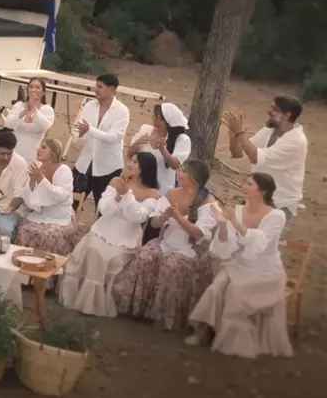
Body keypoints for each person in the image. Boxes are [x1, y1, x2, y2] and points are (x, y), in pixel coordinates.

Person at [187, 173, 292, 358]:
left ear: (262, 191)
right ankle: (205, 331)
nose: (244, 186)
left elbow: (260, 243)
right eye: (245, 182)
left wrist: (235, 222)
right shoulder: (238, 210)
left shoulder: (277, 216)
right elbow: (226, 245)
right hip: (239, 264)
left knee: (235, 291)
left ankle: (229, 340)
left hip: (265, 270)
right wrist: (223, 224)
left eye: (250, 184)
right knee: (215, 289)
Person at [113, 159, 218, 331]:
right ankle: (137, 308)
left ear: (194, 178)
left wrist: (177, 218)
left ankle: (163, 317)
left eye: (183, 171)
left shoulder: (208, 202)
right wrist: (163, 218)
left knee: (172, 267)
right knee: (145, 256)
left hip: (189, 250)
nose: (178, 173)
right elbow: (154, 223)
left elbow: (198, 233)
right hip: (166, 242)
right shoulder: (172, 194)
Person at [60, 153, 160, 317]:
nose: (130, 164)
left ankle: (96, 303)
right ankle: (81, 299)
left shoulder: (152, 193)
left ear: (145, 168)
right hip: (104, 229)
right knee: (93, 250)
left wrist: (127, 195)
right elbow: (104, 209)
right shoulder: (115, 181)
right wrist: (118, 196)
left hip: (126, 236)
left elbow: (139, 217)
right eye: (131, 160)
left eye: (135, 162)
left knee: (110, 258)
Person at [222, 95, 307, 223]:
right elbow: (238, 154)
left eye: (275, 109)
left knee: (253, 232)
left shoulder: (296, 141)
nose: (269, 111)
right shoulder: (270, 129)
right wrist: (234, 137)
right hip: (258, 197)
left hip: (280, 202)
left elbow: (254, 157)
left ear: (287, 115)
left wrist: (239, 133)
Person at [73, 73, 130, 208]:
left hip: (108, 167)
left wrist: (89, 130)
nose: (96, 90)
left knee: (103, 208)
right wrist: (80, 133)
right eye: (96, 86)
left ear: (112, 89)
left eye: (100, 87)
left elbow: (112, 137)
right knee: (71, 204)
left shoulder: (122, 111)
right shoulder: (89, 106)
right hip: (85, 163)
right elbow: (77, 130)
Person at [15, 139, 79, 256]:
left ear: (53, 154)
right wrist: (32, 181)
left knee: (49, 235)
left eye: (43, 147)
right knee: (23, 229)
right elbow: (30, 200)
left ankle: (48, 262)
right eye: (40, 146)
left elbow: (61, 195)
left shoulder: (64, 171)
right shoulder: (37, 168)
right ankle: (26, 260)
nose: (38, 149)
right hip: (40, 213)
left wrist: (41, 179)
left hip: (59, 214)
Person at [127, 103, 190, 196]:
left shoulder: (182, 139)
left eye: (156, 116)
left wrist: (163, 150)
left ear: (165, 121)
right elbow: (129, 155)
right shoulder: (145, 130)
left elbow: (175, 165)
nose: (152, 117)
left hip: (162, 189)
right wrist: (136, 144)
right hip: (139, 185)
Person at [2, 77, 55, 163]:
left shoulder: (47, 110)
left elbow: (46, 126)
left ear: (43, 92)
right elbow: (8, 124)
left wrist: (34, 109)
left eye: (37, 87)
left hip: (33, 154)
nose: (34, 90)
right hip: (14, 151)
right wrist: (24, 111)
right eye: (31, 87)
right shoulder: (19, 105)